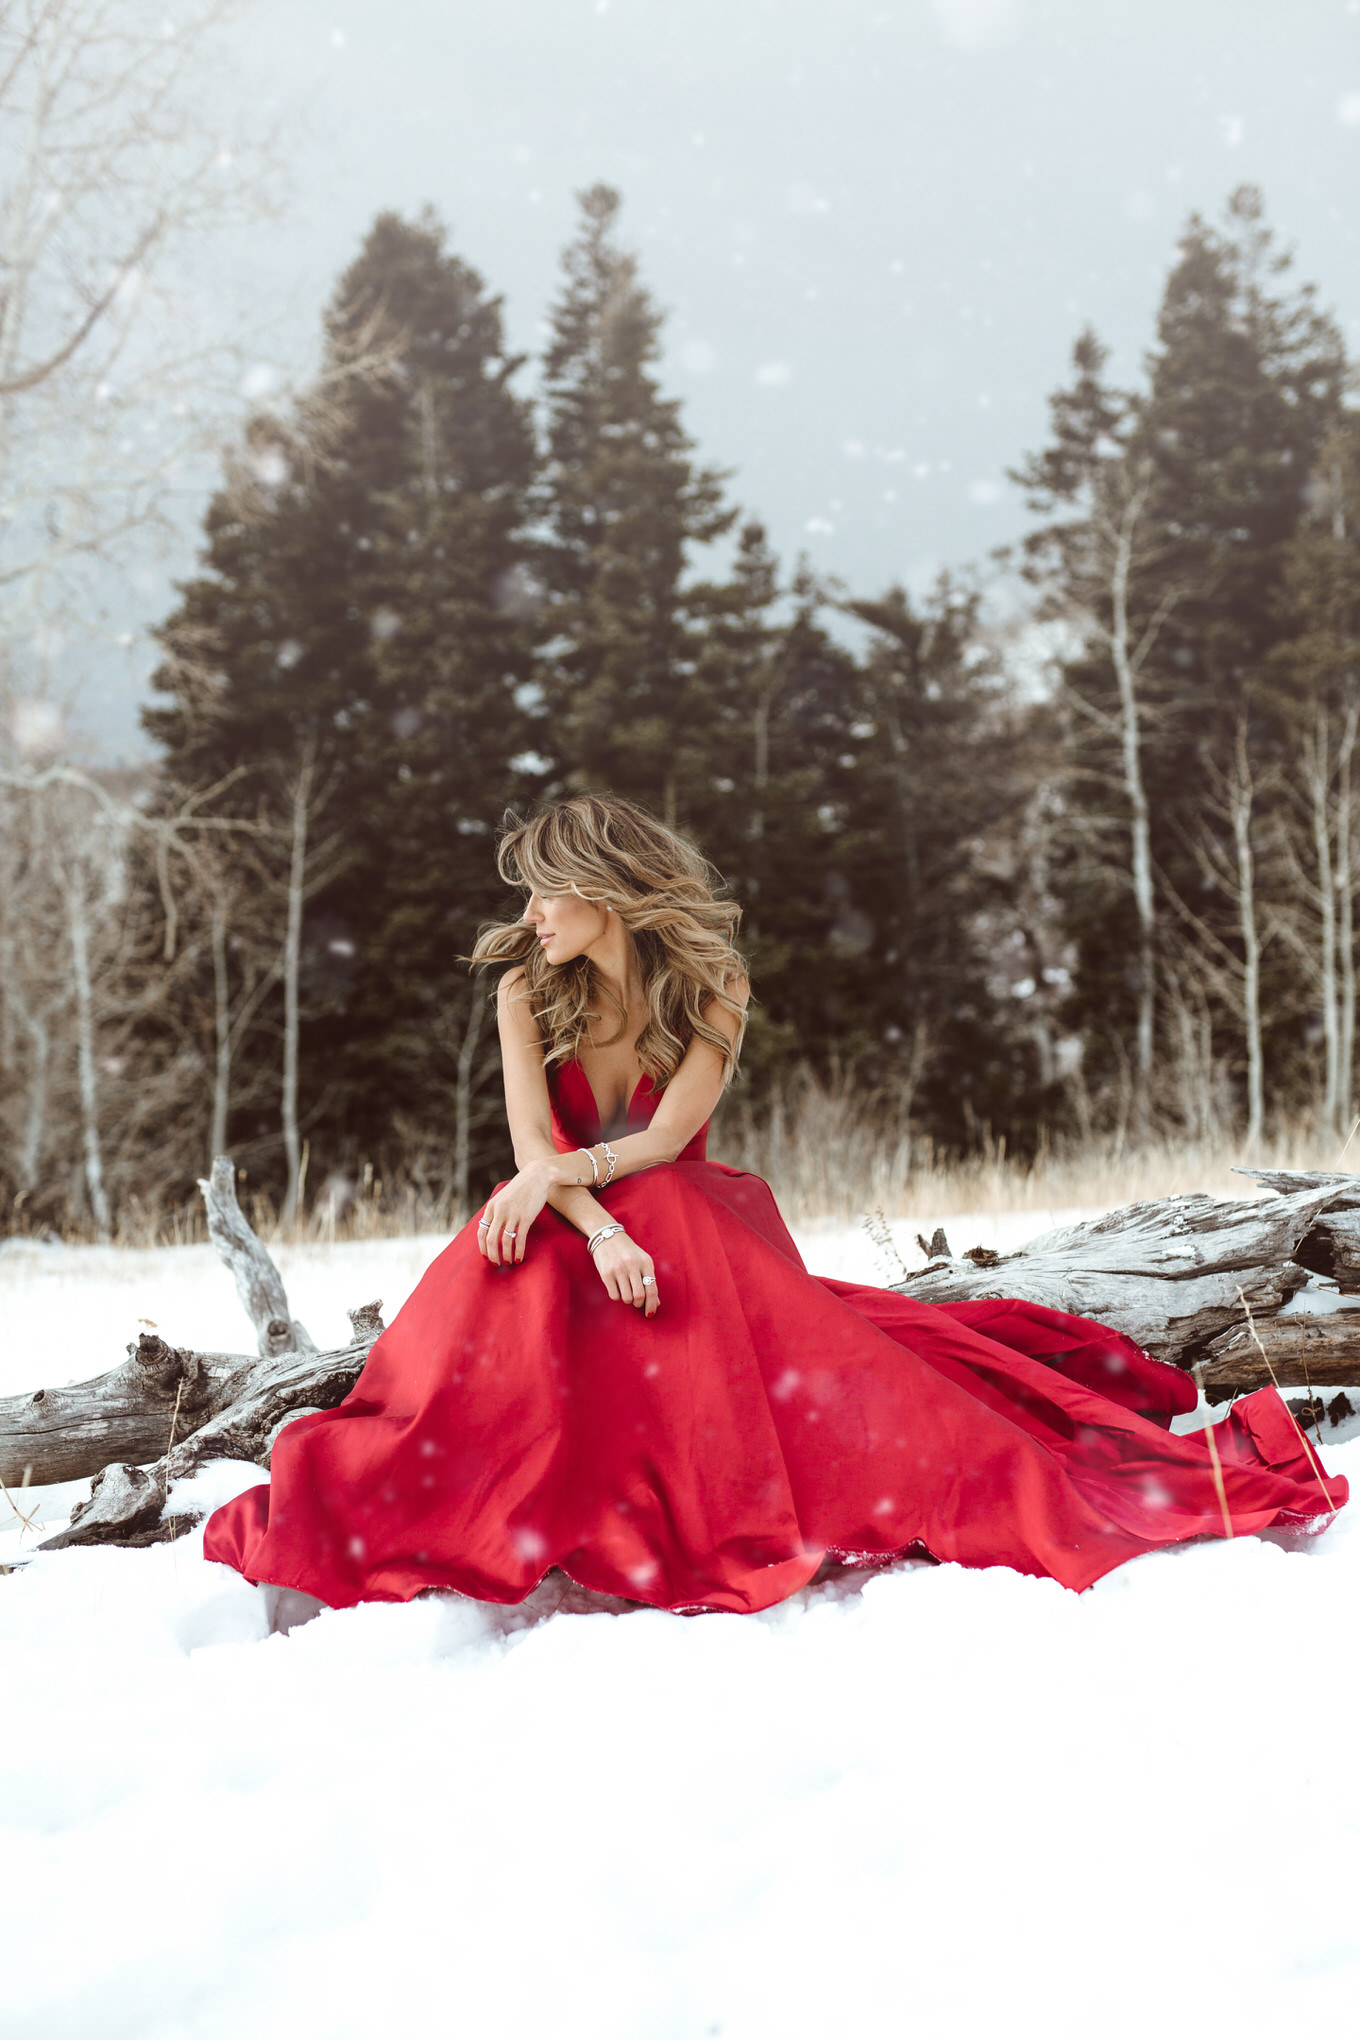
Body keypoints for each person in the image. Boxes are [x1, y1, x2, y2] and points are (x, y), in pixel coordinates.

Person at [204, 795, 1347, 1615]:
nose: (534, 912)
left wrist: (577, 1188)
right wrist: (586, 1219)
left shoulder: (715, 986)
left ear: (604, 890)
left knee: (670, 1213)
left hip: (690, 1215)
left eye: (550, 890)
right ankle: (431, 1492)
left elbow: (656, 1140)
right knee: (508, 1254)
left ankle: (678, 1487)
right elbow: (530, 1148)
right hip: (577, 1221)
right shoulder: (521, 986)